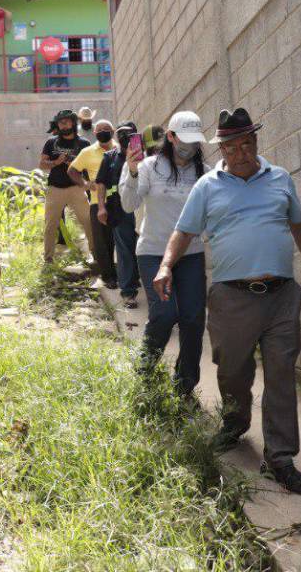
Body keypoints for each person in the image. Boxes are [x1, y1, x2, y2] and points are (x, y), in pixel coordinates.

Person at [156, 107, 301, 495]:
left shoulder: (280, 178)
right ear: (221, 149)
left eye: (247, 144)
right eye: (231, 147)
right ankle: (235, 423)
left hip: (281, 295)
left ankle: (281, 458)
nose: (240, 153)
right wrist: (166, 266)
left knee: (281, 373)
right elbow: (183, 232)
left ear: (255, 142)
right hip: (231, 298)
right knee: (233, 370)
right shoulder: (207, 187)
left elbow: (300, 225)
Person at [119, 111, 208, 397]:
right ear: (170, 137)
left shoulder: (205, 173)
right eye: (184, 140)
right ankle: (144, 373)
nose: (189, 147)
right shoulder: (147, 166)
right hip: (153, 253)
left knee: (193, 319)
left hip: (191, 255)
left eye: (194, 141)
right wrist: (132, 171)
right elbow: (129, 204)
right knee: (165, 314)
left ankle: (184, 388)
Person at [96, 121, 141, 308]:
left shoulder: (145, 155)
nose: (124, 138)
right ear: (116, 136)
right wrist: (101, 207)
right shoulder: (110, 157)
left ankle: (142, 281)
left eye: (129, 134)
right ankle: (128, 292)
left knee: (143, 249)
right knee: (124, 251)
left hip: (143, 209)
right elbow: (100, 183)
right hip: (119, 209)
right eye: (121, 134)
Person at [69, 119, 119, 287]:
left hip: (120, 202)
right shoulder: (87, 152)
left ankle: (124, 274)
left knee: (119, 240)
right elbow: (72, 170)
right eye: (99, 129)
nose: (103, 131)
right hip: (98, 202)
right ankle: (108, 276)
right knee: (101, 242)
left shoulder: (120, 149)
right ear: (95, 133)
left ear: (113, 131)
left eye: (107, 128)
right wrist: (85, 184)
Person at [39, 109, 94, 262]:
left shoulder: (84, 143)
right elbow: (42, 164)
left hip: (77, 188)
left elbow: (89, 167)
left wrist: (76, 165)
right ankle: (48, 259)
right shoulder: (51, 142)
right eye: (60, 123)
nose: (63, 125)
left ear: (73, 123)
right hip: (55, 189)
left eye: (66, 122)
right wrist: (56, 162)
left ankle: (96, 255)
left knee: (88, 222)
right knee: (50, 225)